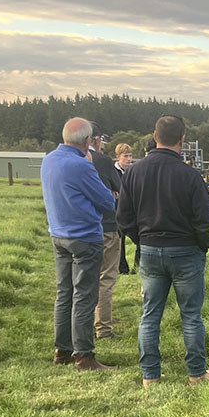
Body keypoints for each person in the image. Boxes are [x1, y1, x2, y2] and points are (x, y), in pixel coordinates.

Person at [118, 115, 209, 387]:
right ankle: (196, 373)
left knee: (150, 315)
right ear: (183, 140)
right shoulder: (190, 175)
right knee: (191, 315)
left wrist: (142, 239)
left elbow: (123, 217)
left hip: (149, 250)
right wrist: (201, 245)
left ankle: (150, 376)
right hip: (186, 252)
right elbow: (204, 221)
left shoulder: (134, 172)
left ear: (154, 135)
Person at [41, 117, 117, 371]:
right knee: (85, 295)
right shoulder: (82, 165)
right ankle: (84, 355)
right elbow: (107, 201)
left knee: (64, 293)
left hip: (58, 235)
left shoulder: (49, 160)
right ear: (87, 141)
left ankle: (62, 350)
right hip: (84, 237)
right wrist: (91, 166)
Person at [88, 130, 122, 339]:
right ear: (96, 140)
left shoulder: (63, 160)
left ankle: (81, 325)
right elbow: (119, 190)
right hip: (107, 225)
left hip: (79, 229)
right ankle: (103, 327)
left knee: (83, 278)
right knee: (106, 278)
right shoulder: (102, 161)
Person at [114, 143, 135, 274]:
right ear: (118, 157)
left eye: (130, 156)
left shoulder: (133, 171)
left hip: (132, 211)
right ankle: (122, 268)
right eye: (125, 156)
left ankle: (137, 267)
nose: (129, 159)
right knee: (119, 241)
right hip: (117, 211)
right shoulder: (113, 172)